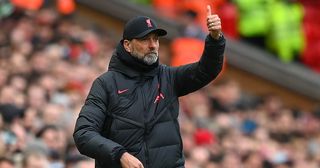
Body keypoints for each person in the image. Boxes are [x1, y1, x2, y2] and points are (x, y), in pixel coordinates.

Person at [73, 5, 225, 168]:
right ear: (127, 45)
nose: (153, 45)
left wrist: (215, 39)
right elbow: (84, 134)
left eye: (155, 39)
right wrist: (120, 155)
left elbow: (207, 70)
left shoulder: (168, 77)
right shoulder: (106, 84)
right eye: (145, 39)